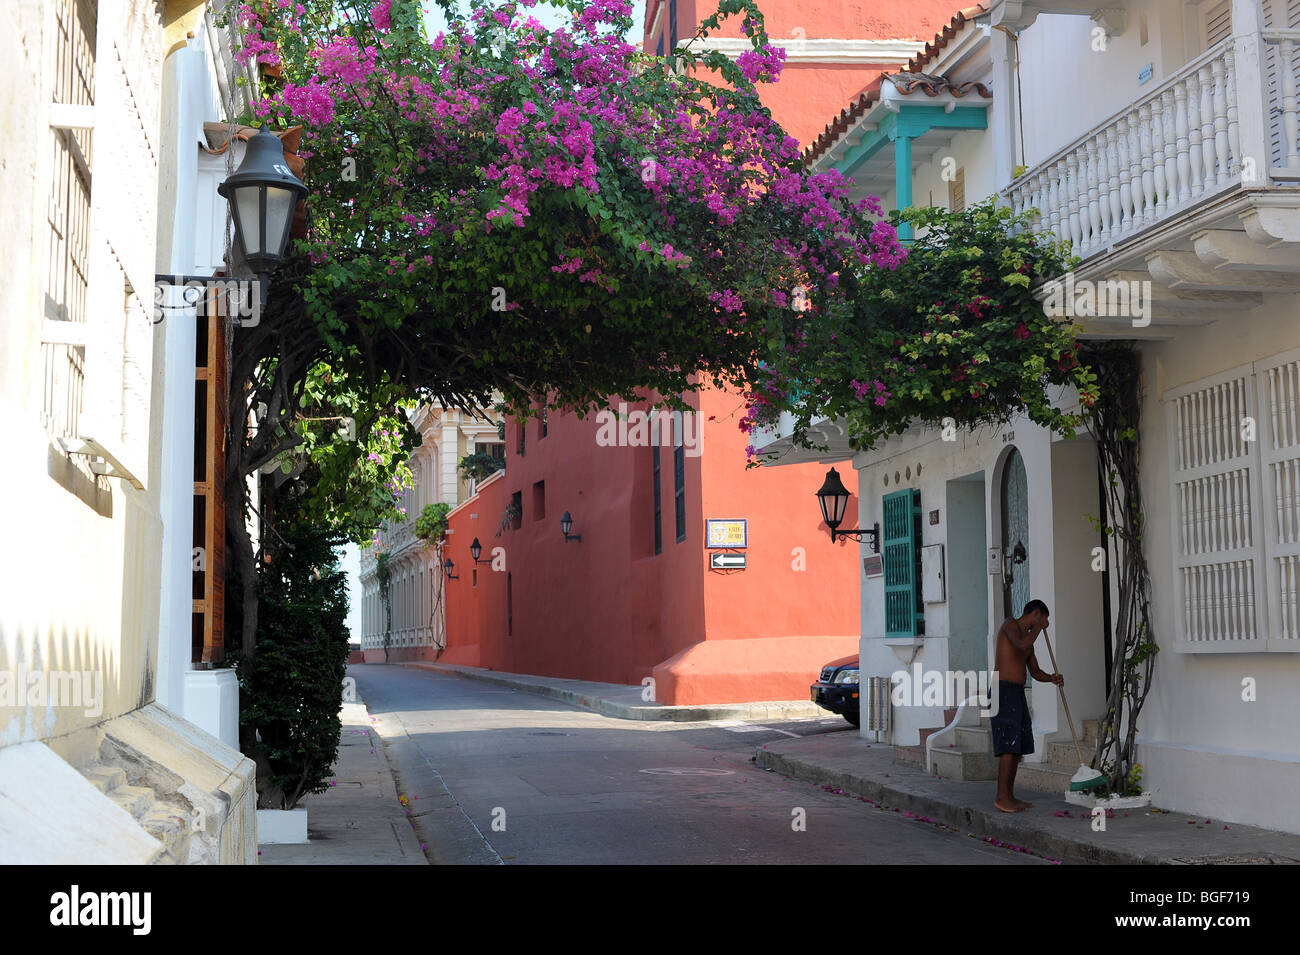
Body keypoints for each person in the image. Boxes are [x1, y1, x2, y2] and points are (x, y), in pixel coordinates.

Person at [991, 599, 1062, 813]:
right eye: (1043, 619)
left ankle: (1009, 796)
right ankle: (1002, 798)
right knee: (1007, 746)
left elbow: (1035, 671)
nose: (1043, 625)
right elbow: (1020, 644)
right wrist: (1039, 627)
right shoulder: (1010, 625)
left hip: (1016, 693)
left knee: (1017, 747)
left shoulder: (1028, 642)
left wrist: (1052, 678)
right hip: (1001, 691)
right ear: (1036, 613)